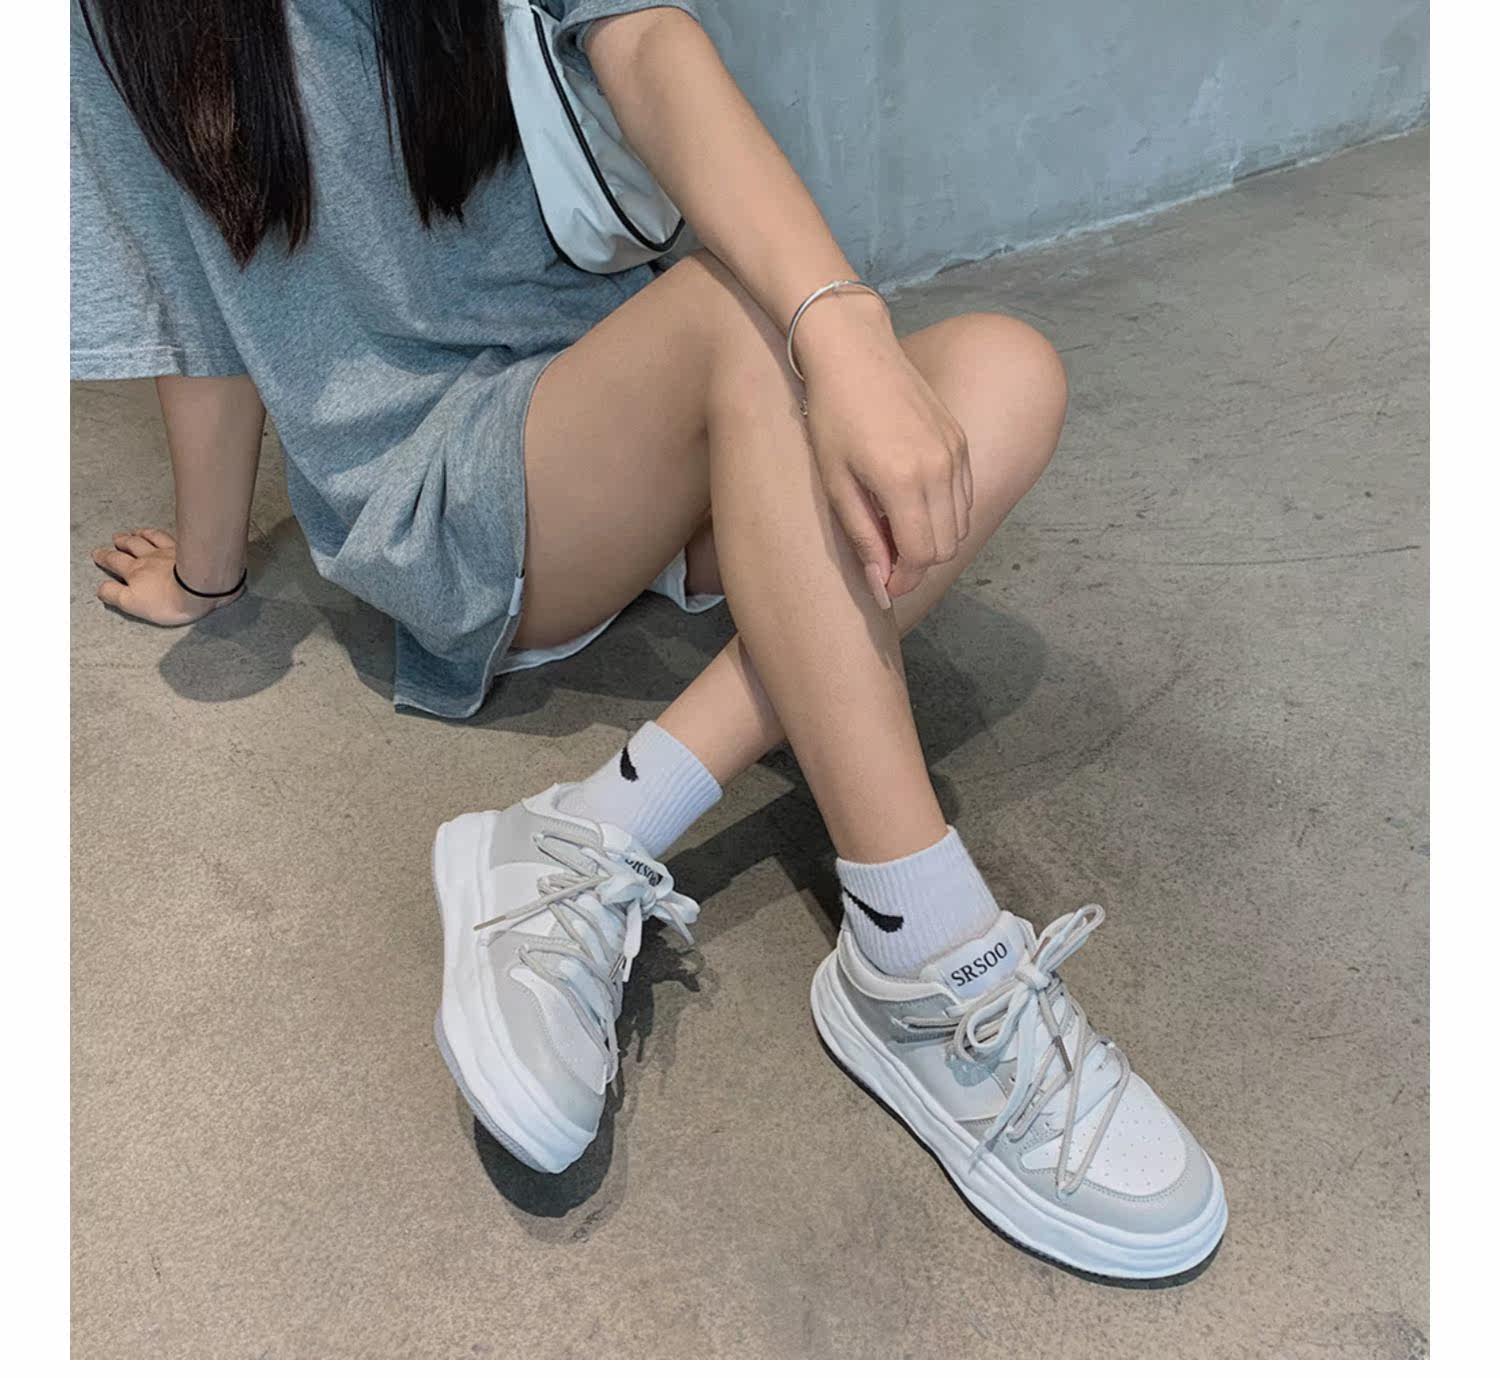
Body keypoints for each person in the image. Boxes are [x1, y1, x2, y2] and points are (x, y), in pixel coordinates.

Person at [72, 0, 1226, 1284]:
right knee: (738, 312)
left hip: (637, 407)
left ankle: (604, 818)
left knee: (1007, 370)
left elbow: (645, 41)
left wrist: (845, 338)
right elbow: (198, 300)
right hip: (446, 479)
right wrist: (209, 568)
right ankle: (927, 957)